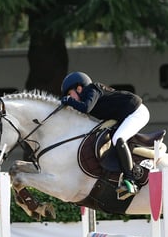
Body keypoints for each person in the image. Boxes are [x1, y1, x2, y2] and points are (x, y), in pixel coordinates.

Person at [60, 71, 150, 199]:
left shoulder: (92, 89)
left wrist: (68, 100)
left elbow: (86, 108)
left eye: (70, 93)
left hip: (137, 112)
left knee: (118, 138)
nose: (70, 97)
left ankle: (131, 180)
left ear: (79, 88)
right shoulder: (86, 95)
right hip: (125, 116)